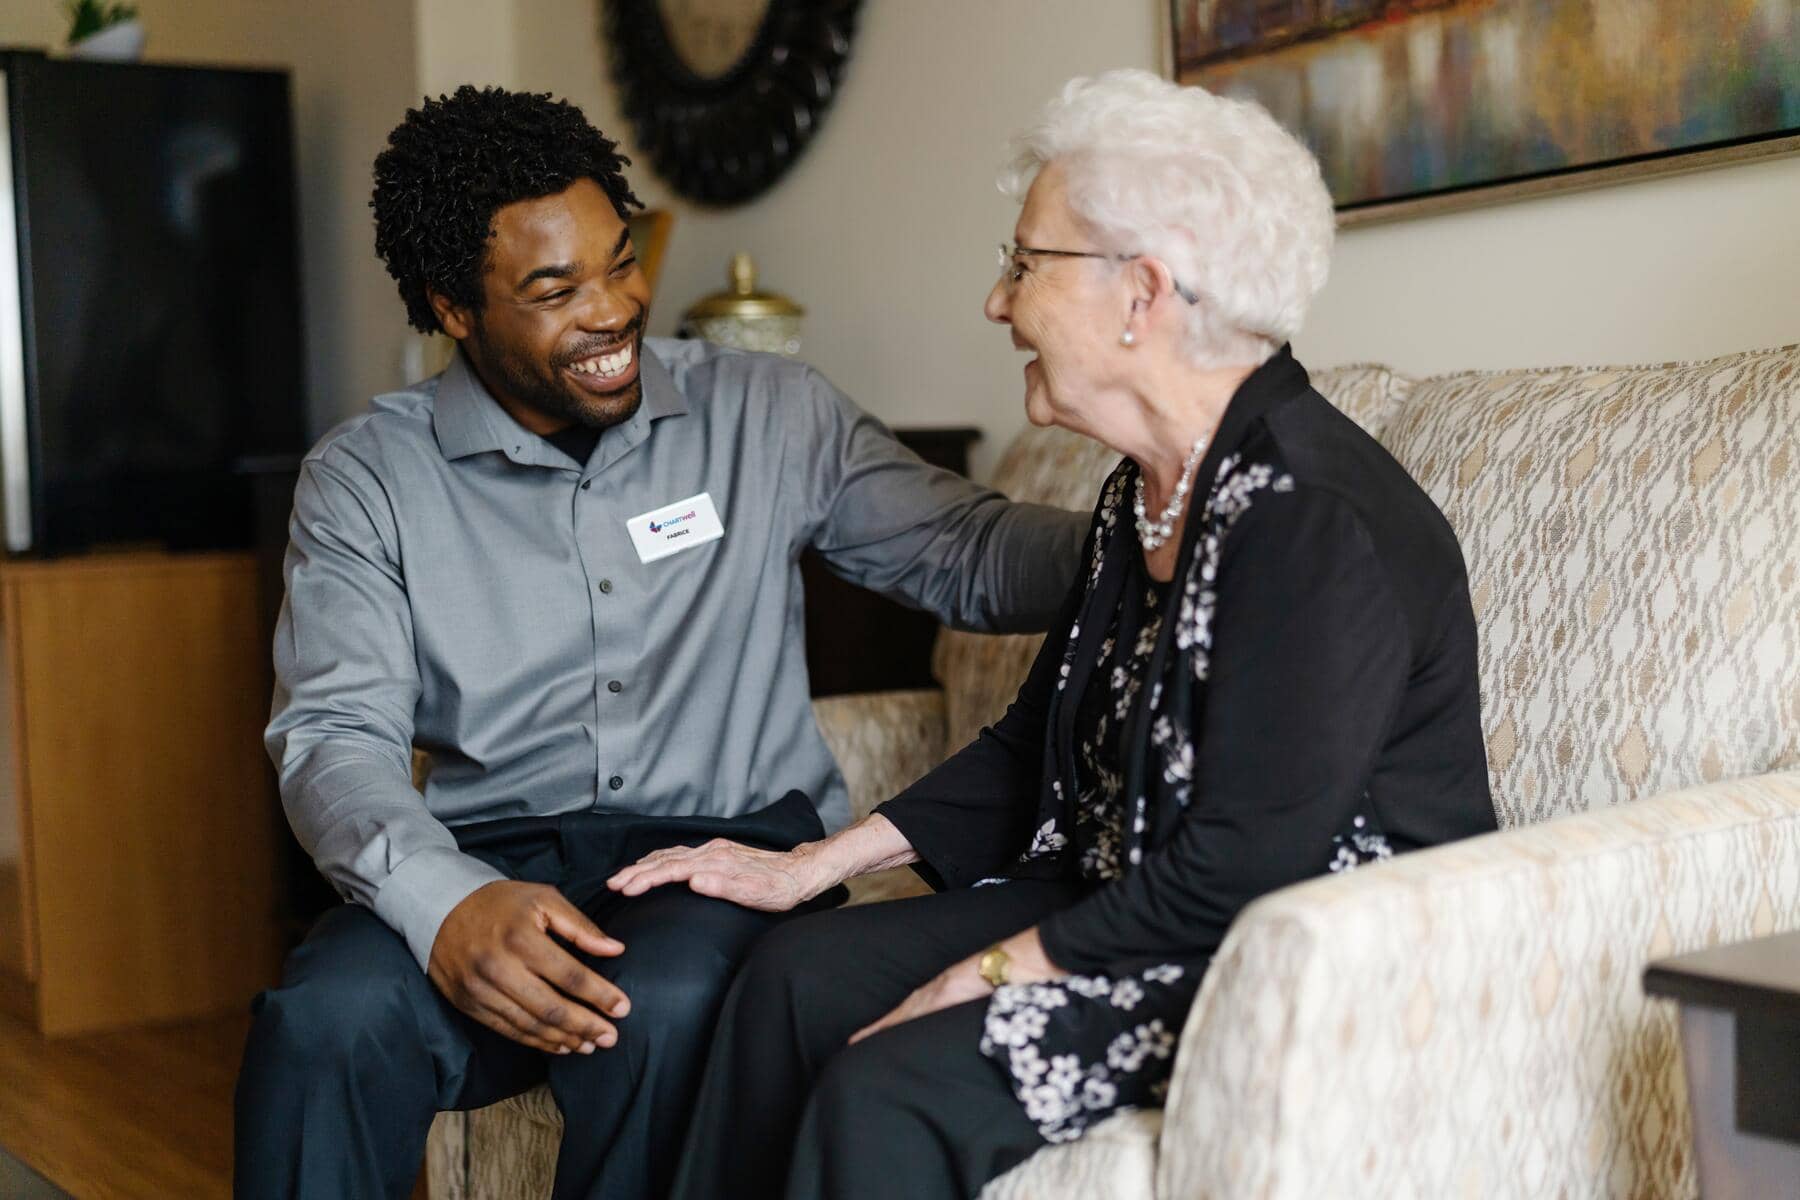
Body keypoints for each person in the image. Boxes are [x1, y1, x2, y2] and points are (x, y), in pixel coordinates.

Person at [609, 69, 1498, 1199]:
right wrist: (808, 869)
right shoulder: (1146, 495)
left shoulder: (1313, 522)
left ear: (1143, 292)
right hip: (1132, 891)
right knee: (790, 976)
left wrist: (992, 970)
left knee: (886, 1089)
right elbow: (1037, 746)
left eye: (1024, 263)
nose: (996, 300)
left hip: (1289, 953)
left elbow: (1246, 863)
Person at [232, 85, 1086, 1200]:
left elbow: (966, 553)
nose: (613, 309)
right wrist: (445, 903)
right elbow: (333, 735)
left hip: (722, 859)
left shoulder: (769, 413)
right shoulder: (366, 480)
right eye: (555, 290)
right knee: (323, 1021)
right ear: (451, 306)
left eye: (621, 261)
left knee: (666, 1004)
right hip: (493, 857)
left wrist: (1171, 525)